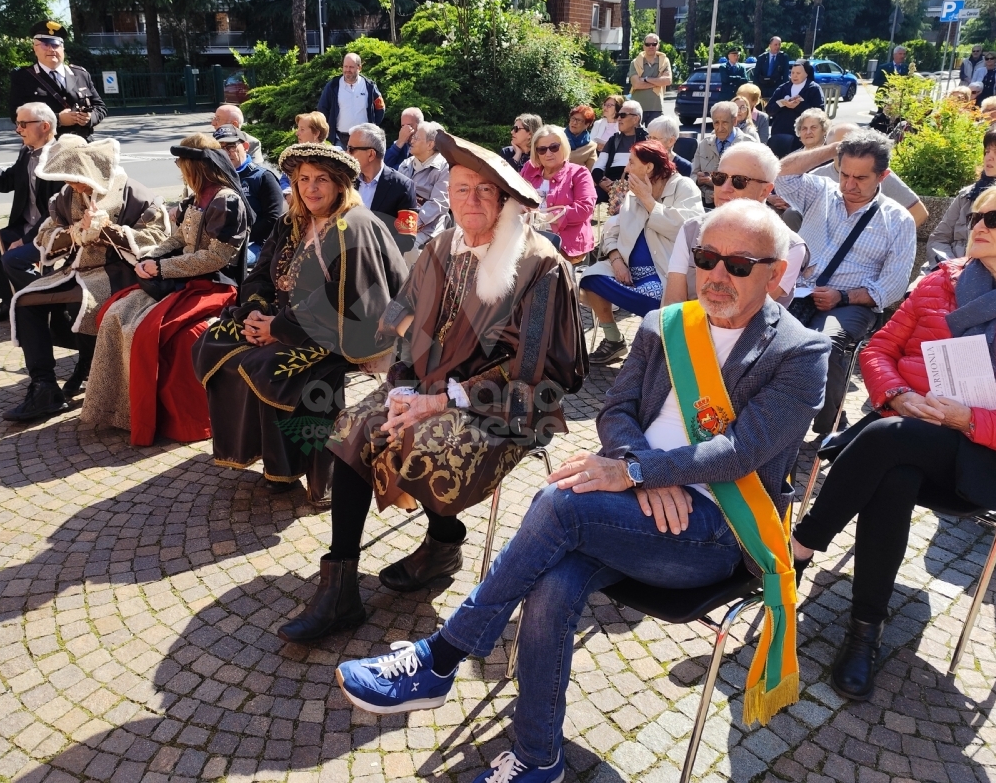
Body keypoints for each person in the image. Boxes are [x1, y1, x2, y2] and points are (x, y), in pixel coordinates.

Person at [332, 199, 830, 783]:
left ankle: (444, 655)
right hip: (627, 506)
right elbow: (615, 410)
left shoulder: (801, 352)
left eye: (739, 265)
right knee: (553, 581)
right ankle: (540, 756)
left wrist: (637, 475)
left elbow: (741, 451)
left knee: (561, 503)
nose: (718, 275)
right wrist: (633, 465)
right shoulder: (665, 325)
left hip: (717, 530)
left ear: (775, 272)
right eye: (706, 258)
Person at [278, 132, 587, 643]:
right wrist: (402, 387)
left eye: (486, 192)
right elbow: (405, 323)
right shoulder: (440, 245)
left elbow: (534, 368)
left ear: (507, 200)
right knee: (353, 427)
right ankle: (340, 589)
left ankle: (444, 542)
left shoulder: (539, 264)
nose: (471, 202)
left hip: (505, 403)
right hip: (426, 384)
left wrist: (442, 399)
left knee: (423, 443)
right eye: (462, 189)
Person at [792, 176, 996, 701]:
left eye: (993, 218)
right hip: (905, 431)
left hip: (989, 455)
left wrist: (968, 420)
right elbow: (877, 351)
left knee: (888, 442)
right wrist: (896, 394)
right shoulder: (942, 280)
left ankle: (799, 549)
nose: (974, 224)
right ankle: (863, 633)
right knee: (894, 467)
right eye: (976, 214)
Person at [192, 144, 407, 499]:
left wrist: (276, 329)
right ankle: (261, 453)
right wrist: (255, 314)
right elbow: (260, 272)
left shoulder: (353, 225)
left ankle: (292, 469)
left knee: (267, 365)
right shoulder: (292, 220)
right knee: (217, 342)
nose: (311, 188)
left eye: (321, 179)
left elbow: (344, 296)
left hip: (345, 331)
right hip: (286, 318)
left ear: (339, 184)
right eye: (303, 179)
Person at [81, 135, 250, 445]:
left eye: (180, 164)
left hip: (215, 285)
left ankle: (168, 418)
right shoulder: (194, 198)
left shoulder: (227, 201)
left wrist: (161, 268)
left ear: (194, 166)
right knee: (115, 313)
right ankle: (120, 409)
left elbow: (216, 258)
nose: (179, 169)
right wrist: (151, 256)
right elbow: (177, 240)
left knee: (155, 332)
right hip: (183, 278)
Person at [5, 136, 171, 422]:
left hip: (122, 275)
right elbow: (45, 236)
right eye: (68, 179)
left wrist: (108, 230)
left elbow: (157, 241)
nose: (72, 185)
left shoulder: (137, 194)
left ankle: (89, 366)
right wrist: (76, 233)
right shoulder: (65, 197)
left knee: (84, 304)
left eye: (76, 179)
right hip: (75, 272)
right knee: (24, 301)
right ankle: (44, 387)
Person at [774, 130, 916, 434]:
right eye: (845, 174)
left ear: (883, 176)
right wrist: (834, 148)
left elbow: (892, 285)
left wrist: (845, 297)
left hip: (851, 302)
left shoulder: (898, 220)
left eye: (861, 178)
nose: (849, 185)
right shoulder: (822, 192)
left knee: (822, 343)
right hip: (799, 291)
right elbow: (781, 173)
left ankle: (829, 426)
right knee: (765, 333)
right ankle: (769, 413)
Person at [580, 140, 703, 365]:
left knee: (655, 298)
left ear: (648, 167)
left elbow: (688, 229)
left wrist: (648, 200)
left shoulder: (683, 187)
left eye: (631, 162)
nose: (626, 168)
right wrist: (616, 259)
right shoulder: (631, 194)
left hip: (663, 272)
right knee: (589, 278)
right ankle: (614, 340)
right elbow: (612, 231)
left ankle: (647, 349)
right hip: (626, 268)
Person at [663, 141, 808, 309]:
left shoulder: (791, 247)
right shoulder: (691, 229)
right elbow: (672, 305)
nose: (725, 188)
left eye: (739, 181)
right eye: (719, 177)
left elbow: (750, 315)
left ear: (765, 191)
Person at [0, 102, 59, 323]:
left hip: (51, 230)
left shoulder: (60, 156)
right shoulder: (26, 152)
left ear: (44, 126)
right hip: (24, 225)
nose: (18, 130)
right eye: (17, 124)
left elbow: (55, 211)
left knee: (11, 256)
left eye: (23, 124)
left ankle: (40, 305)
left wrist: (25, 240)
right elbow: (5, 183)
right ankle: (9, 302)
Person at [927, 123, 996, 266]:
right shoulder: (967, 194)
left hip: (991, 274)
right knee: (916, 288)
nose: (989, 157)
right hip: (945, 269)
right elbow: (939, 238)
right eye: (987, 151)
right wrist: (951, 267)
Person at [815, 123, 928, 228]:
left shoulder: (879, 173)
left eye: (861, 178)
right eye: (843, 149)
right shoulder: (817, 177)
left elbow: (919, 213)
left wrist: (889, 238)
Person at [7, 20, 107, 139]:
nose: (51, 49)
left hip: (82, 144)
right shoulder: (23, 77)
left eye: (55, 45)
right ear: (35, 48)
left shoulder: (81, 74)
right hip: (45, 148)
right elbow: (16, 116)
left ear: (63, 48)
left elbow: (100, 107)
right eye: (45, 45)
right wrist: (57, 119)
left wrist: (90, 118)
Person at [520, 125, 597, 263]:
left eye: (554, 147)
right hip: (529, 239)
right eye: (542, 150)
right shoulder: (529, 170)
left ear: (564, 147)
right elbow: (515, 196)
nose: (548, 153)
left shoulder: (579, 173)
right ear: (536, 153)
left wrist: (550, 217)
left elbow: (585, 208)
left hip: (565, 245)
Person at [213, 124, 285, 259]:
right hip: (221, 242)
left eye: (231, 146)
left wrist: (238, 238)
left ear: (245, 147)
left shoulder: (263, 177)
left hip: (257, 244)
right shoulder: (216, 178)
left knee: (226, 260)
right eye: (221, 149)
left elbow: (272, 219)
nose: (226, 153)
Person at [347, 123, 420, 255]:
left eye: (351, 149)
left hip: (382, 266)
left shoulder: (402, 186)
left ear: (371, 154)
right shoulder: (346, 182)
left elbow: (407, 238)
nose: (347, 154)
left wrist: (370, 249)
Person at [397, 120, 451, 257]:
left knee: (407, 247)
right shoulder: (406, 164)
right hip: (401, 221)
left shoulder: (445, 168)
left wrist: (411, 223)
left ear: (430, 144)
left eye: (416, 137)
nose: (411, 140)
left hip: (428, 226)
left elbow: (439, 203)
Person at [690, 101, 755, 208]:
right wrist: (698, 181)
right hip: (706, 203)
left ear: (734, 121)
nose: (720, 128)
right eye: (716, 123)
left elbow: (753, 182)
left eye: (724, 123)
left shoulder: (748, 144)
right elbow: (692, 174)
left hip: (736, 206)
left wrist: (716, 185)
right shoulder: (705, 144)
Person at [316, 52, 385, 147]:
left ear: (359, 68)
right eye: (345, 66)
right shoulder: (333, 86)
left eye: (351, 67)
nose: (347, 70)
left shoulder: (369, 86)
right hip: (339, 139)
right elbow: (322, 108)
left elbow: (380, 108)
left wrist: (373, 125)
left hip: (363, 139)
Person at [591, 99, 647, 200]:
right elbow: (598, 167)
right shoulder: (613, 140)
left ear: (636, 119)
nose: (619, 119)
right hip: (609, 184)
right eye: (618, 115)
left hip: (636, 185)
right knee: (589, 197)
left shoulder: (647, 140)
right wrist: (602, 181)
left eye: (623, 115)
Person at [767, 60, 824, 157]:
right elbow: (769, 109)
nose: (794, 76)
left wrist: (799, 106)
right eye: (792, 73)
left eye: (798, 73)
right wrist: (782, 104)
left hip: (803, 136)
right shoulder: (783, 88)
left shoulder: (814, 89)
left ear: (806, 74)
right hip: (780, 133)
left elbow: (819, 113)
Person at [278, 111, 331, 195]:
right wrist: (288, 193)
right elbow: (284, 180)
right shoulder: (294, 156)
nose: (297, 133)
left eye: (302, 129)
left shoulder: (334, 157)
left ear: (316, 133)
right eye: (298, 129)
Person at [628, 34, 673, 126]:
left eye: (654, 44)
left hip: (656, 107)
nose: (651, 46)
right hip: (636, 107)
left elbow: (668, 81)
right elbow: (636, 84)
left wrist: (646, 79)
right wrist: (658, 82)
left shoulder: (664, 61)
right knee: (634, 137)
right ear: (644, 46)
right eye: (648, 44)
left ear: (658, 45)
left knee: (655, 137)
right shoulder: (635, 62)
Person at [565, 104, 597, 168]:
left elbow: (590, 170)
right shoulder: (558, 135)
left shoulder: (590, 146)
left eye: (579, 120)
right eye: (573, 118)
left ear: (587, 125)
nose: (574, 122)